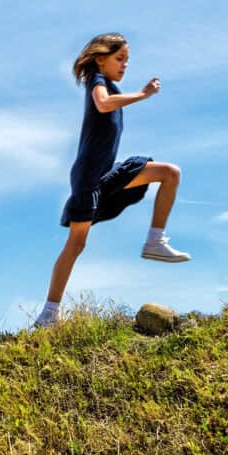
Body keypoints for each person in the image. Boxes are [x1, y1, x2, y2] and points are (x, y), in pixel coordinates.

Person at [35, 33, 190, 328]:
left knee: (170, 173)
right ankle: (49, 314)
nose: (124, 65)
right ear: (99, 59)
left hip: (107, 173)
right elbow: (104, 105)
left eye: (127, 60)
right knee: (76, 244)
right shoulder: (98, 83)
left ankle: (155, 242)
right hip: (88, 178)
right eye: (119, 59)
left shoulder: (111, 86)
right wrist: (142, 95)